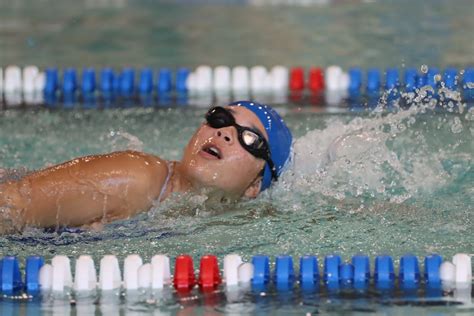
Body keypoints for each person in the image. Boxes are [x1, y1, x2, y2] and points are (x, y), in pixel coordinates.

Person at [0, 101, 292, 233]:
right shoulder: (137, 177)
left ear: (255, 185)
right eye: (219, 118)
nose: (225, 132)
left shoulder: (227, 219)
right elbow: (10, 205)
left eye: (249, 138)